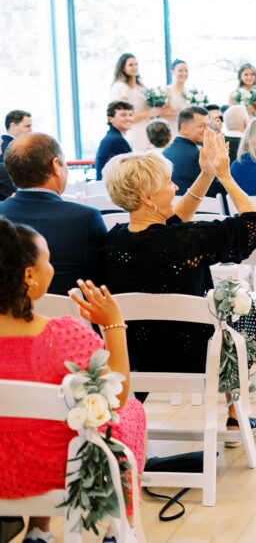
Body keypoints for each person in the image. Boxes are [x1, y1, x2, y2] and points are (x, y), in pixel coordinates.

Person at [103, 138, 256, 438]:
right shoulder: (187, 240)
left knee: (236, 304)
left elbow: (169, 225)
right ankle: (243, 407)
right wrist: (225, 176)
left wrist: (206, 175)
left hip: (133, 356)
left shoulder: (114, 240)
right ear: (149, 197)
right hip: (195, 356)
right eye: (168, 183)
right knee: (239, 304)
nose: (175, 187)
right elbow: (255, 225)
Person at [0, 219, 146, 543]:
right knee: (126, 412)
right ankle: (117, 527)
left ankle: (39, 530)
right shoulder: (60, 335)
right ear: (28, 276)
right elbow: (114, 398)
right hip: (58, 472)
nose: (51, 267)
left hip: (3, 469)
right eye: (47, 260)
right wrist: (114, 325)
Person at [0, 134, 107, 293]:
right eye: (65, 162)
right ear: (55, 165)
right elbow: (102, 281)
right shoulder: (85, 219)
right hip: (72, 313)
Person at [110, 52, 167, 150]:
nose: (135, 67)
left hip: (148, 128)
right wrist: (149, 113)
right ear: (123, 68)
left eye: (136, 64)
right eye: (130, 65)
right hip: (135, 130)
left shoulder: (141, 86)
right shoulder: (121, 86)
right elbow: (123, 114)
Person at [162, 106, 223, 198]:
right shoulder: (199, 155)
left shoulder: (165, 152)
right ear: (184, 128)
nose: (207, 130)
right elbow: (213, 191)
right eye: (202, 126)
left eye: (208, 125)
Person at [94, 100, 134, 181]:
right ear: (111, 119)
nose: (128, 118)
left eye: (130, 115)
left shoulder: (111, 137)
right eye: (123, 115)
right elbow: (124, 172)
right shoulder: (117, 140)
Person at [163, 59, 191, 126]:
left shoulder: (190, 93)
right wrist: (185, 114)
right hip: (172, 128)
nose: (184, 73)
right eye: (180, 71)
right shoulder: (166, 91)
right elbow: (162, 114)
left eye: (186, 71)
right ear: (172, 72)